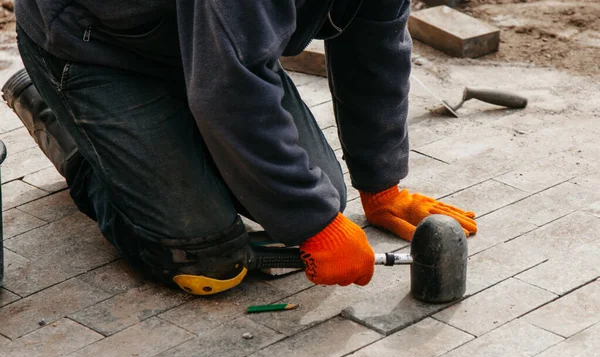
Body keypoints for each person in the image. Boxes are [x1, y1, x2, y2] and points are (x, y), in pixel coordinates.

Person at [2, 0, 477, 295]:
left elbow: (375, 48)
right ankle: (60, 119)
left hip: (206, 50)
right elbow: (229, 91)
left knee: (318, 197)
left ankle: (158, 141)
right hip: (98, 50)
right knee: (206, 260)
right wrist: (314, 225)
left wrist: (381, 185)